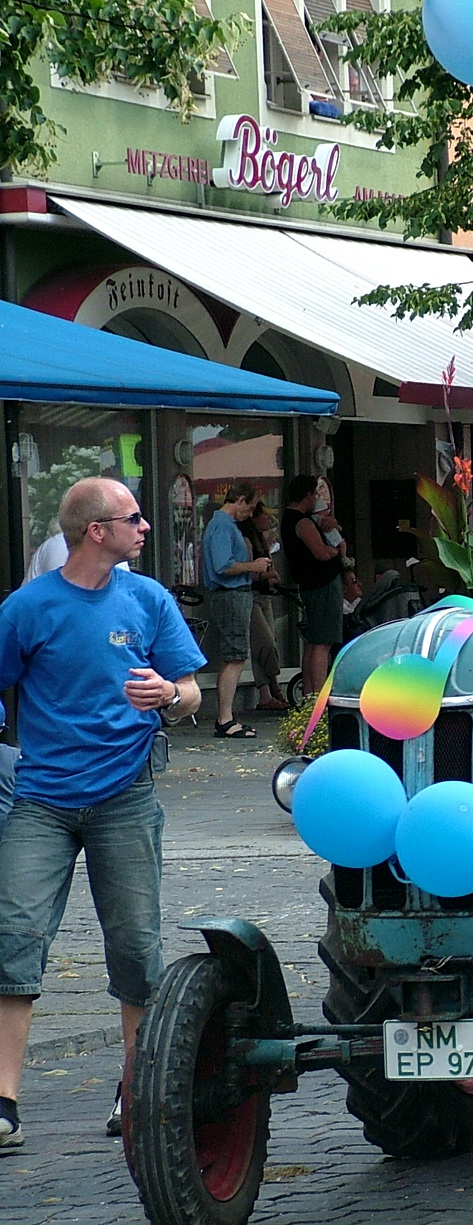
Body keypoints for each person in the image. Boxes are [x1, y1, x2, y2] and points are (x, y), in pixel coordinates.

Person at [0, 477, 205, 1149]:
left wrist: (169, 693)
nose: (145, 526)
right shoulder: (27, 607)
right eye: (134, 517)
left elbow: (192, 692)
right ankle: (3, 1101)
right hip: (42, 800)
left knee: (136, 946)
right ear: (97, 530)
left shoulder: (149, 598)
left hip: (126, 796)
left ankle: (134, 1090)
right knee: (14, 940)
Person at [202, 482, 275, 738]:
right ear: (240, 500)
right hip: (231, 594)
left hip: (233, 595)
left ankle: (226, 716)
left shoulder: (224, 525)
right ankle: (225, 718)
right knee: (235, 656)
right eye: (251, 507)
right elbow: (224, 566)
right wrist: (253, 566)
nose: (250, 513)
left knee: (232, 656)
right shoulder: (222, 526)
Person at [282, 475, 347, 697]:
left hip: (310, 584)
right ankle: (319, 695)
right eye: (314, 495)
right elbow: (320, 552)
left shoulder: (292, 519)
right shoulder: (302, 522)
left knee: (313, 641)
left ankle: (310, 694)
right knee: (322, 642)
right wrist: (335, 552)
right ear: (308, 495)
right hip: (322, 583)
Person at [240, 499, 289, 711]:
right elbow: (250, 573)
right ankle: (275, 683)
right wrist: (266, 575)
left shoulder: (262, 540)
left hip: (265, 595)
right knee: (265, 643)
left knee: (265, 645)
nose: (268, 518)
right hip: (252, 595)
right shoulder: (247, 540)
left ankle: (265, 694)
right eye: (263, 515)